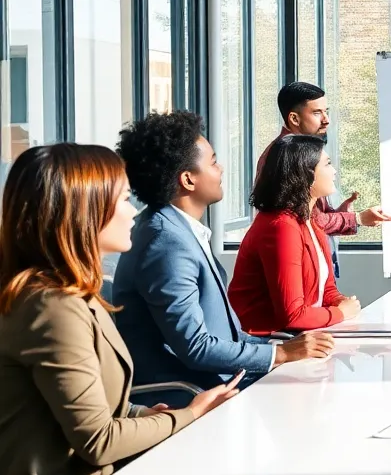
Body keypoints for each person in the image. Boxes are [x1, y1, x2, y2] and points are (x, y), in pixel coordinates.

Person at [0, 144, 238, 475]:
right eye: (124, 199)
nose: (132, 212)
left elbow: (86, 406)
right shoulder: (52, 306)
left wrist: (142, 414)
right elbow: (97, 440)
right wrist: (189, 414)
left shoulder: (73, 293)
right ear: (85, 212)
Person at [113, 112, 335, 393]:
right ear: (188, 180)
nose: (221, 170)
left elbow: (228, 335)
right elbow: (197, 348)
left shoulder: (178, 229)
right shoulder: (166, 243)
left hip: (221, 380)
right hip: (192, 393)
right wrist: (281, 354)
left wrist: (282, 348)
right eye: (213, 162)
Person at [230, 134, 362, 335]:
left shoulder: (310, 221)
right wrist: (340, 314)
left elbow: (326, 290)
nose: (334, 171)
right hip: (264, 344)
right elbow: (292, 316)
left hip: (294, 338)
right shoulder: (281, 227)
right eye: (327, 165)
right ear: (305, 175)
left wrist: (341, 302)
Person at [258, 82, 391, 277]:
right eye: (317, 113)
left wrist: (337, 213)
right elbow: (301, 220)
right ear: (294, 118)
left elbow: (310, 215)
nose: (326, 120)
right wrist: (358, 218)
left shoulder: (304, 151)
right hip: (300, 267)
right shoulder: (283, 158)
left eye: (326, 111)